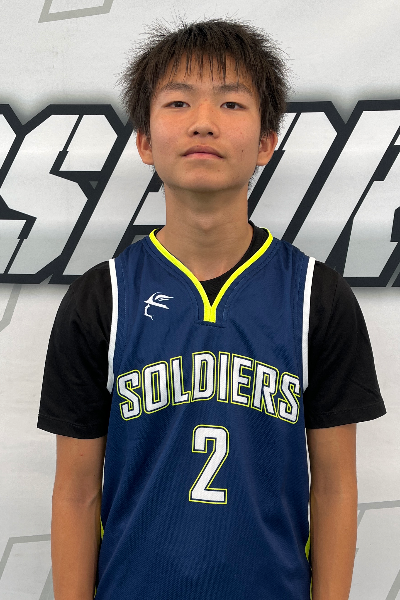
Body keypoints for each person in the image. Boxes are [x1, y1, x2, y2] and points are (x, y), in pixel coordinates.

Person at [37, 18, 386, 600]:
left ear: (266, 141)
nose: (203, 121)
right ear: (144, 141)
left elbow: (333, 488)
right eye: (178, 102)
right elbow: (75, 493)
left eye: (231, 102)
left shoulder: (315, 297)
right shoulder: (102, 298)